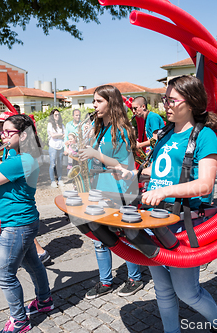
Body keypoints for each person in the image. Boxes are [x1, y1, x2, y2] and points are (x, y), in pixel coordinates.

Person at [128, 75, 217, 332]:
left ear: (191, 102)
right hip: (154, 221)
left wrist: (164, 192)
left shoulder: (205, 136)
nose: (166, 105)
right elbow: (158, 172)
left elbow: (205, 184)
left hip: (183, 226)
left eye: (171, 100)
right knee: (162, 289)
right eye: (164, 99)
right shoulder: (164, 133)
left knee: (187, 292)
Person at [0, 114, 53, 333]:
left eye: (8, 132)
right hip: (21, 221)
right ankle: (45, 301)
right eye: (2, 131)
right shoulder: (21, 155)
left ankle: (19, 321)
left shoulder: (21, 160)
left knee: (4, 274)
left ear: (23, 135)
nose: (2, 135)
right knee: (33, 264)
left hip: (16, 224)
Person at [78, 85, 143, 299]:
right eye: (94, 101)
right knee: (99, 238)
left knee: (124, 236)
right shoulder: (101, 128)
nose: (93, 105)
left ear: (111, 103)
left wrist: (95, 153)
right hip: (100, 189)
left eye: (98, 101)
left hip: (119, 191)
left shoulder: (121, 129)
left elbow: (124, 163)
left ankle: (135, 278)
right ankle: (105, 282)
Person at [47, 109, 65, 187]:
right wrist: (60, 134)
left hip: (61, 146)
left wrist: (57, 135)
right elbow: (52, 135)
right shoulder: (50, 124)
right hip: (53, 146)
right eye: (55, 115)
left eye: (58, 114)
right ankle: (52, 181)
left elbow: (64, 135)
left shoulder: (62, 125)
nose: (57, 116)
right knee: (53, 164)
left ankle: (60, 179)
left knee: (60, 164)